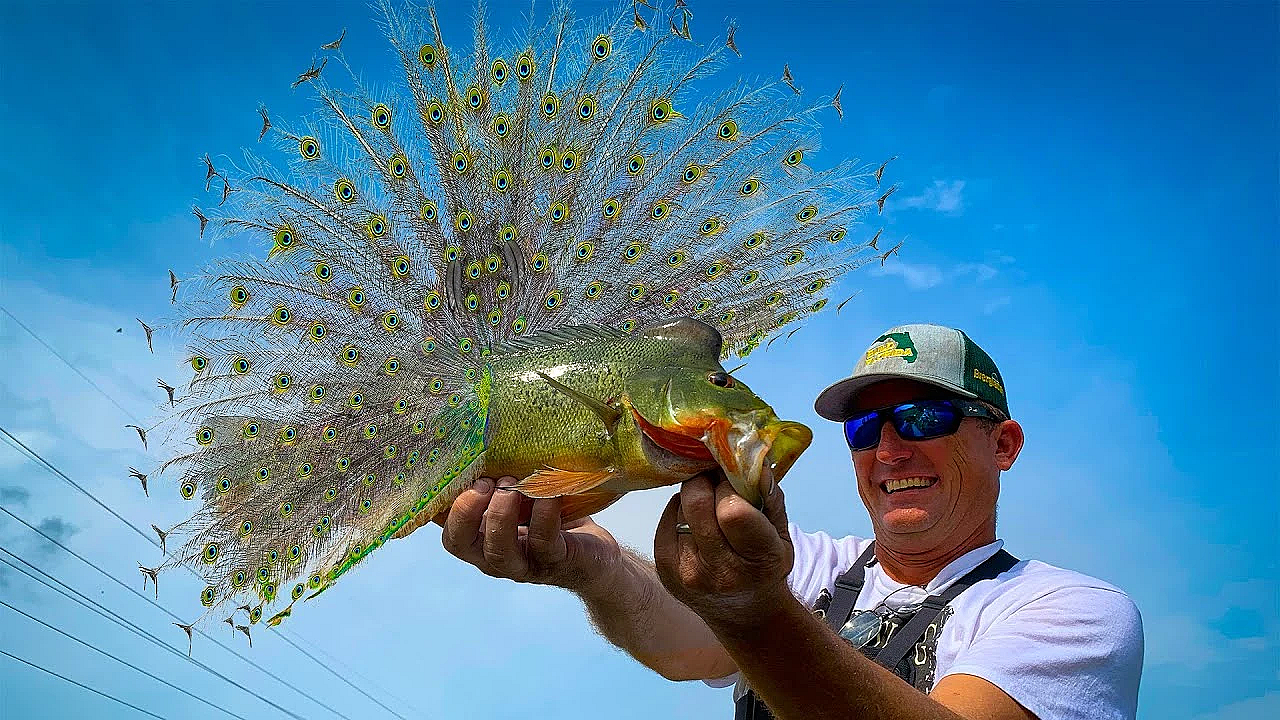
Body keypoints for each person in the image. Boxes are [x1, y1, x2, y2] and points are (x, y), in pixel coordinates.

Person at [437, 323, 1144, 720]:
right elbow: (687, 645)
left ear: (1005, 444)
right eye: (865, 429)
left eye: (924, 417)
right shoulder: (809, 568)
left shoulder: (1073, 613)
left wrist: (752, 611)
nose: (890, 449)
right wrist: (581, 560)